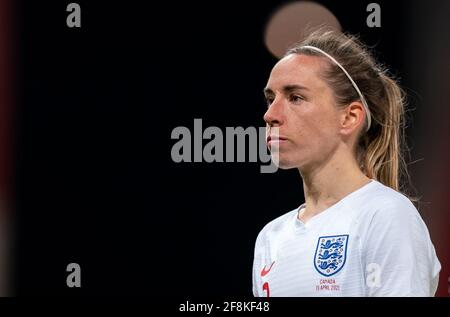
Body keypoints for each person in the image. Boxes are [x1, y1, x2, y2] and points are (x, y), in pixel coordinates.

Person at [253, 29, 441, 297]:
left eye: (295, 97)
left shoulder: (385, 216)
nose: (270, 114)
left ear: (349, 118)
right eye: (271, 99)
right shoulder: (270, 238)